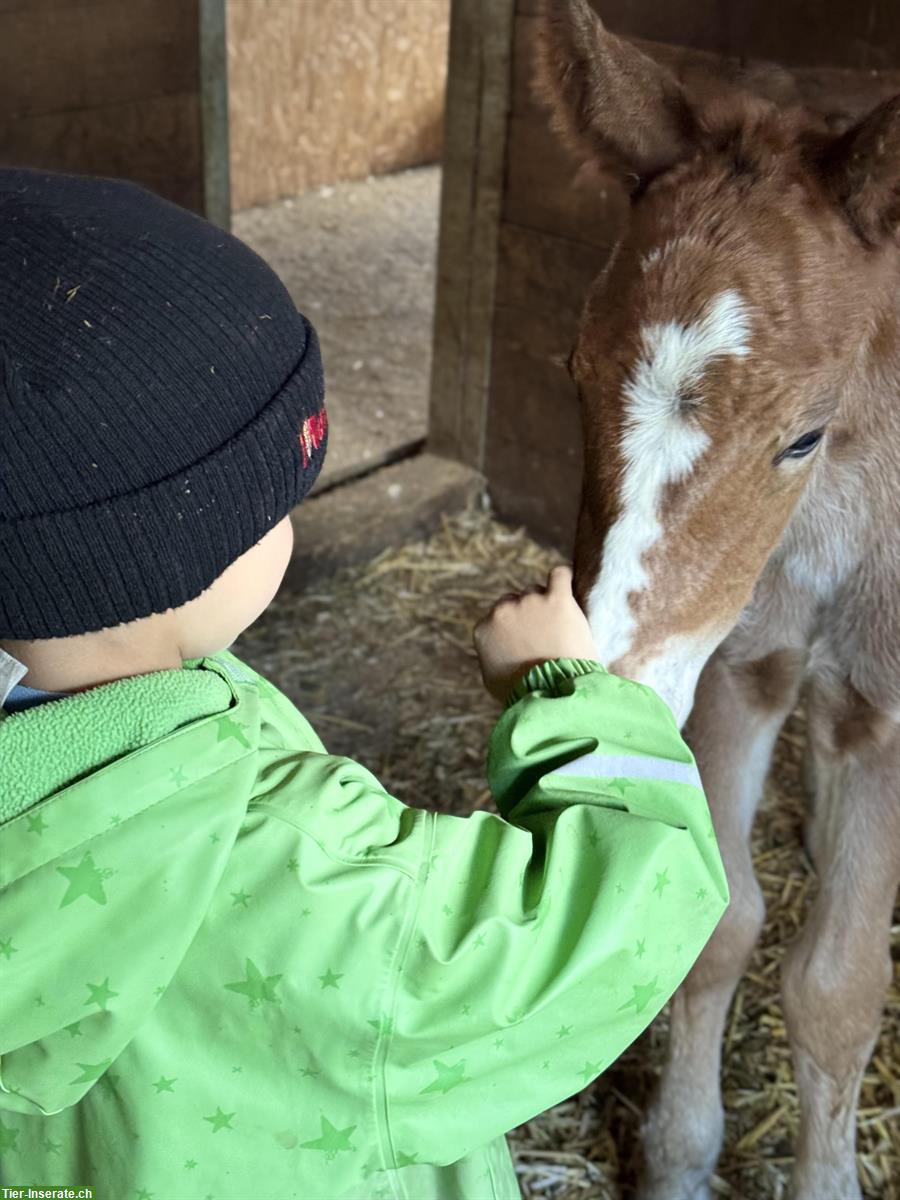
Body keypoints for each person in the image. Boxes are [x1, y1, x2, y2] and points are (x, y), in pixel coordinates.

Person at [0, 168, 728, 1200]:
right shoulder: (302, 883)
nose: (290, 520)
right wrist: (565, 693)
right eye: (277, 502)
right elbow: (629, 905)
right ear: (160, 569)